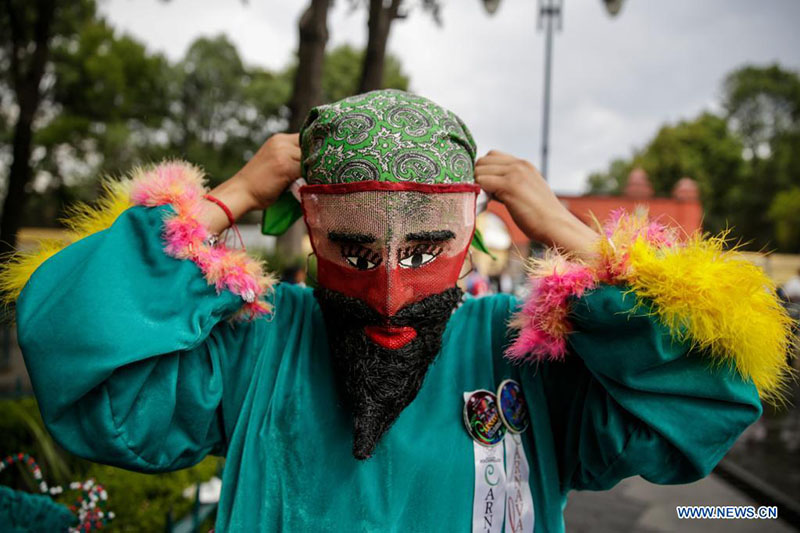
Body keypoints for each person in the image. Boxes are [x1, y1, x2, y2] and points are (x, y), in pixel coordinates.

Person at [4, 90, 793, 532]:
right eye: (353, 249)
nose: (387, 293)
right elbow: (73, 345)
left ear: (466, 233)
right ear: (311, 231)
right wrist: (229, 199)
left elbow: (710, 393)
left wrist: (566, 232)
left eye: (422, 251)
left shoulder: (528, 357)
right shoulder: (258, 347)